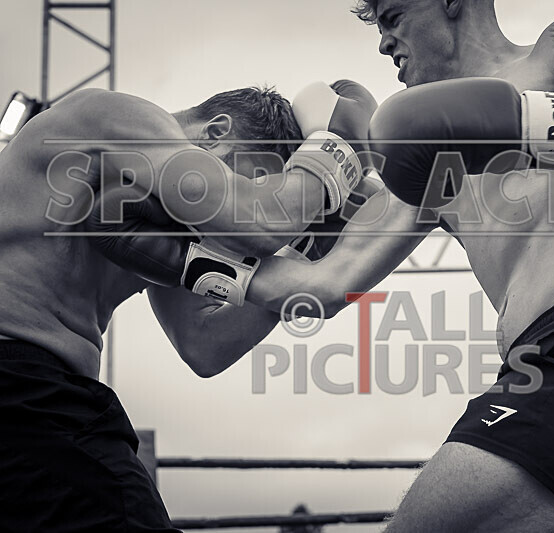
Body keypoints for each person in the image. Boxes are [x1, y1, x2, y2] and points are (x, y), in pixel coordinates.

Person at [88, 2, 554, 531]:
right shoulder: (421, 154)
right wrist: (188, 260)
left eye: (393, 16)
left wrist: (516, 121)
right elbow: (321, 286)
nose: (384, 42)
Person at [0, 79, 376, 531]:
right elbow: (262, 219)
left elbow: (204, 343)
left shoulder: (158, 219)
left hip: (39, 398)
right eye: (254, 177)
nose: (263, 195)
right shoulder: (112, 115)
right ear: (215, 132)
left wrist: (307, 250)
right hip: (20, 383)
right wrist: (335, 155)